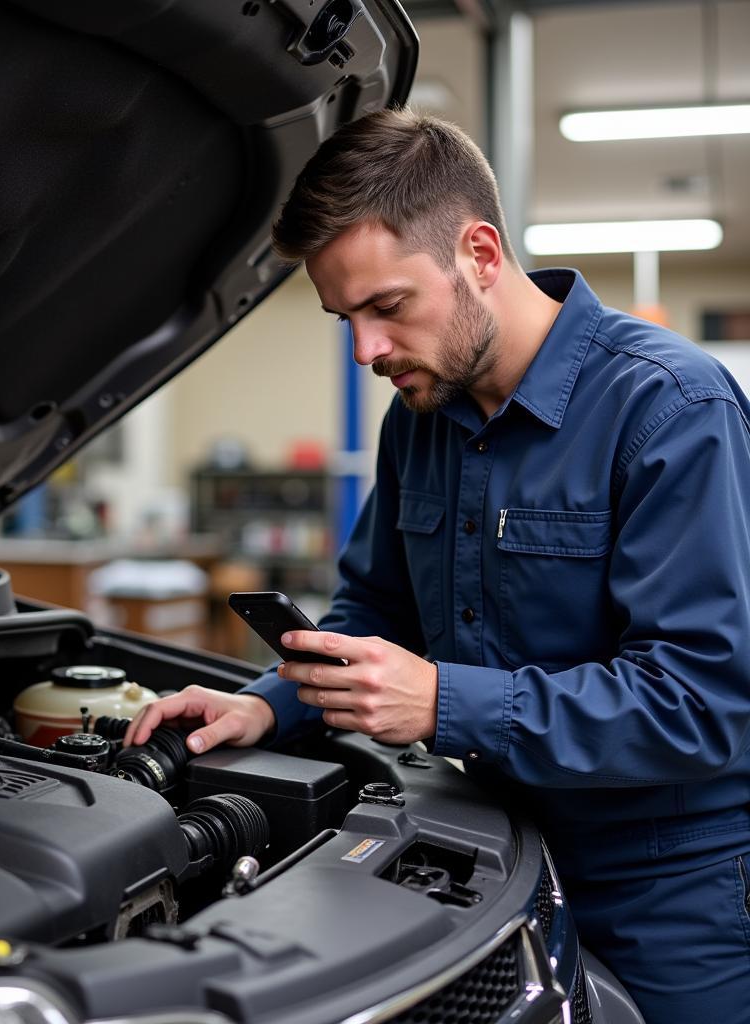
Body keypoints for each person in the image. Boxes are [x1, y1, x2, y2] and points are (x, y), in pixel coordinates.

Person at [124, 110, 750, 1021]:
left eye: (387, 307)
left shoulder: (672, 410)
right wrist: (268, 700)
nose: (365, 351)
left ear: (482, 254)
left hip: (662, 889)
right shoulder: (417, 422)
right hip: (486, 848)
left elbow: (701, 704)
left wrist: (442, 702)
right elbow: (376, 608)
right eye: (344, 317)